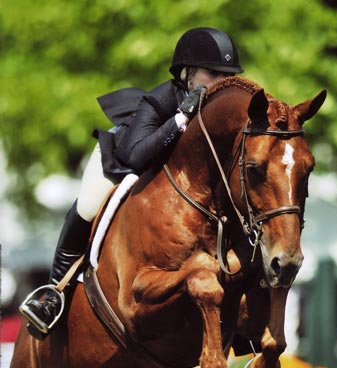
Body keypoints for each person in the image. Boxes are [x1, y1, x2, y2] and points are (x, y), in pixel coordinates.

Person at [19, 27, 244, 340]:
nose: (220, 84)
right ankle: (55, 293)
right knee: (87, 205)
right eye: (213, 74)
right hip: (122, 159)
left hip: (169, 179)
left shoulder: (220, 116)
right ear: (188, 73)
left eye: (226, 76)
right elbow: (136, 156)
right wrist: (181, 118)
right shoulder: (160, 100)